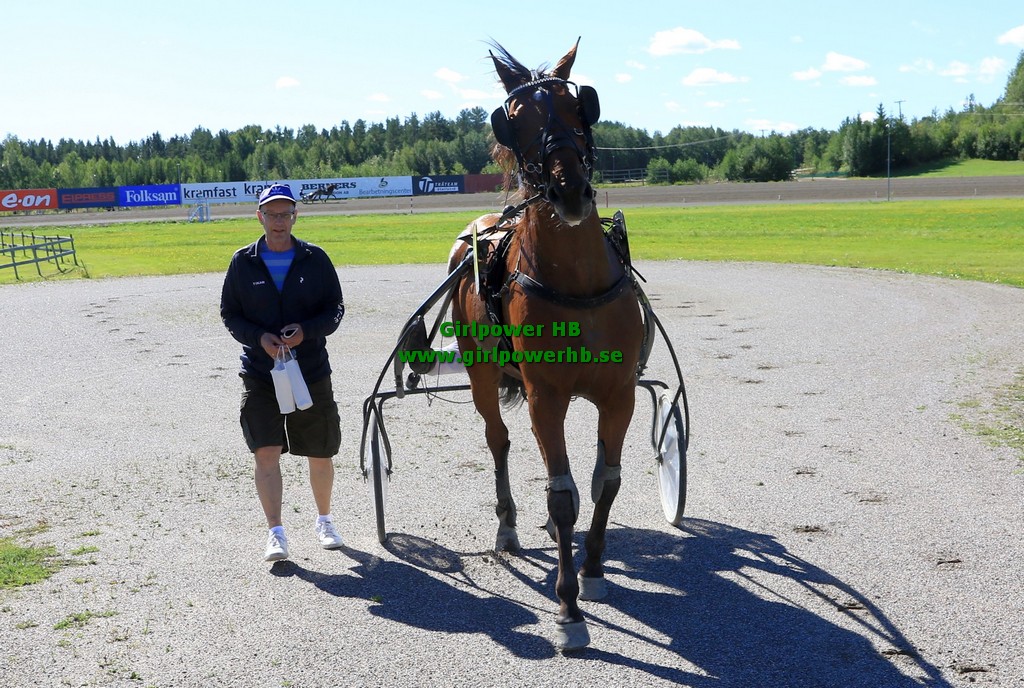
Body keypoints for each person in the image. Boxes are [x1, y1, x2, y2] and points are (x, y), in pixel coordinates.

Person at [220, 183, 346, 562]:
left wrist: (307, 331)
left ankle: (324, 521)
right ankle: (275, 532)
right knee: (266, 451)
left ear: (295, 216)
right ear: (259, 217)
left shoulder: (315, 259)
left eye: (285, 214)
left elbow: (335, 309)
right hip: (261, 373)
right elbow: (230, 314)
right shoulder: (243, 262)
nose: (279, 221)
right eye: (272, 214)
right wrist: (259, 338)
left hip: (310, 370)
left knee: (319, 450)